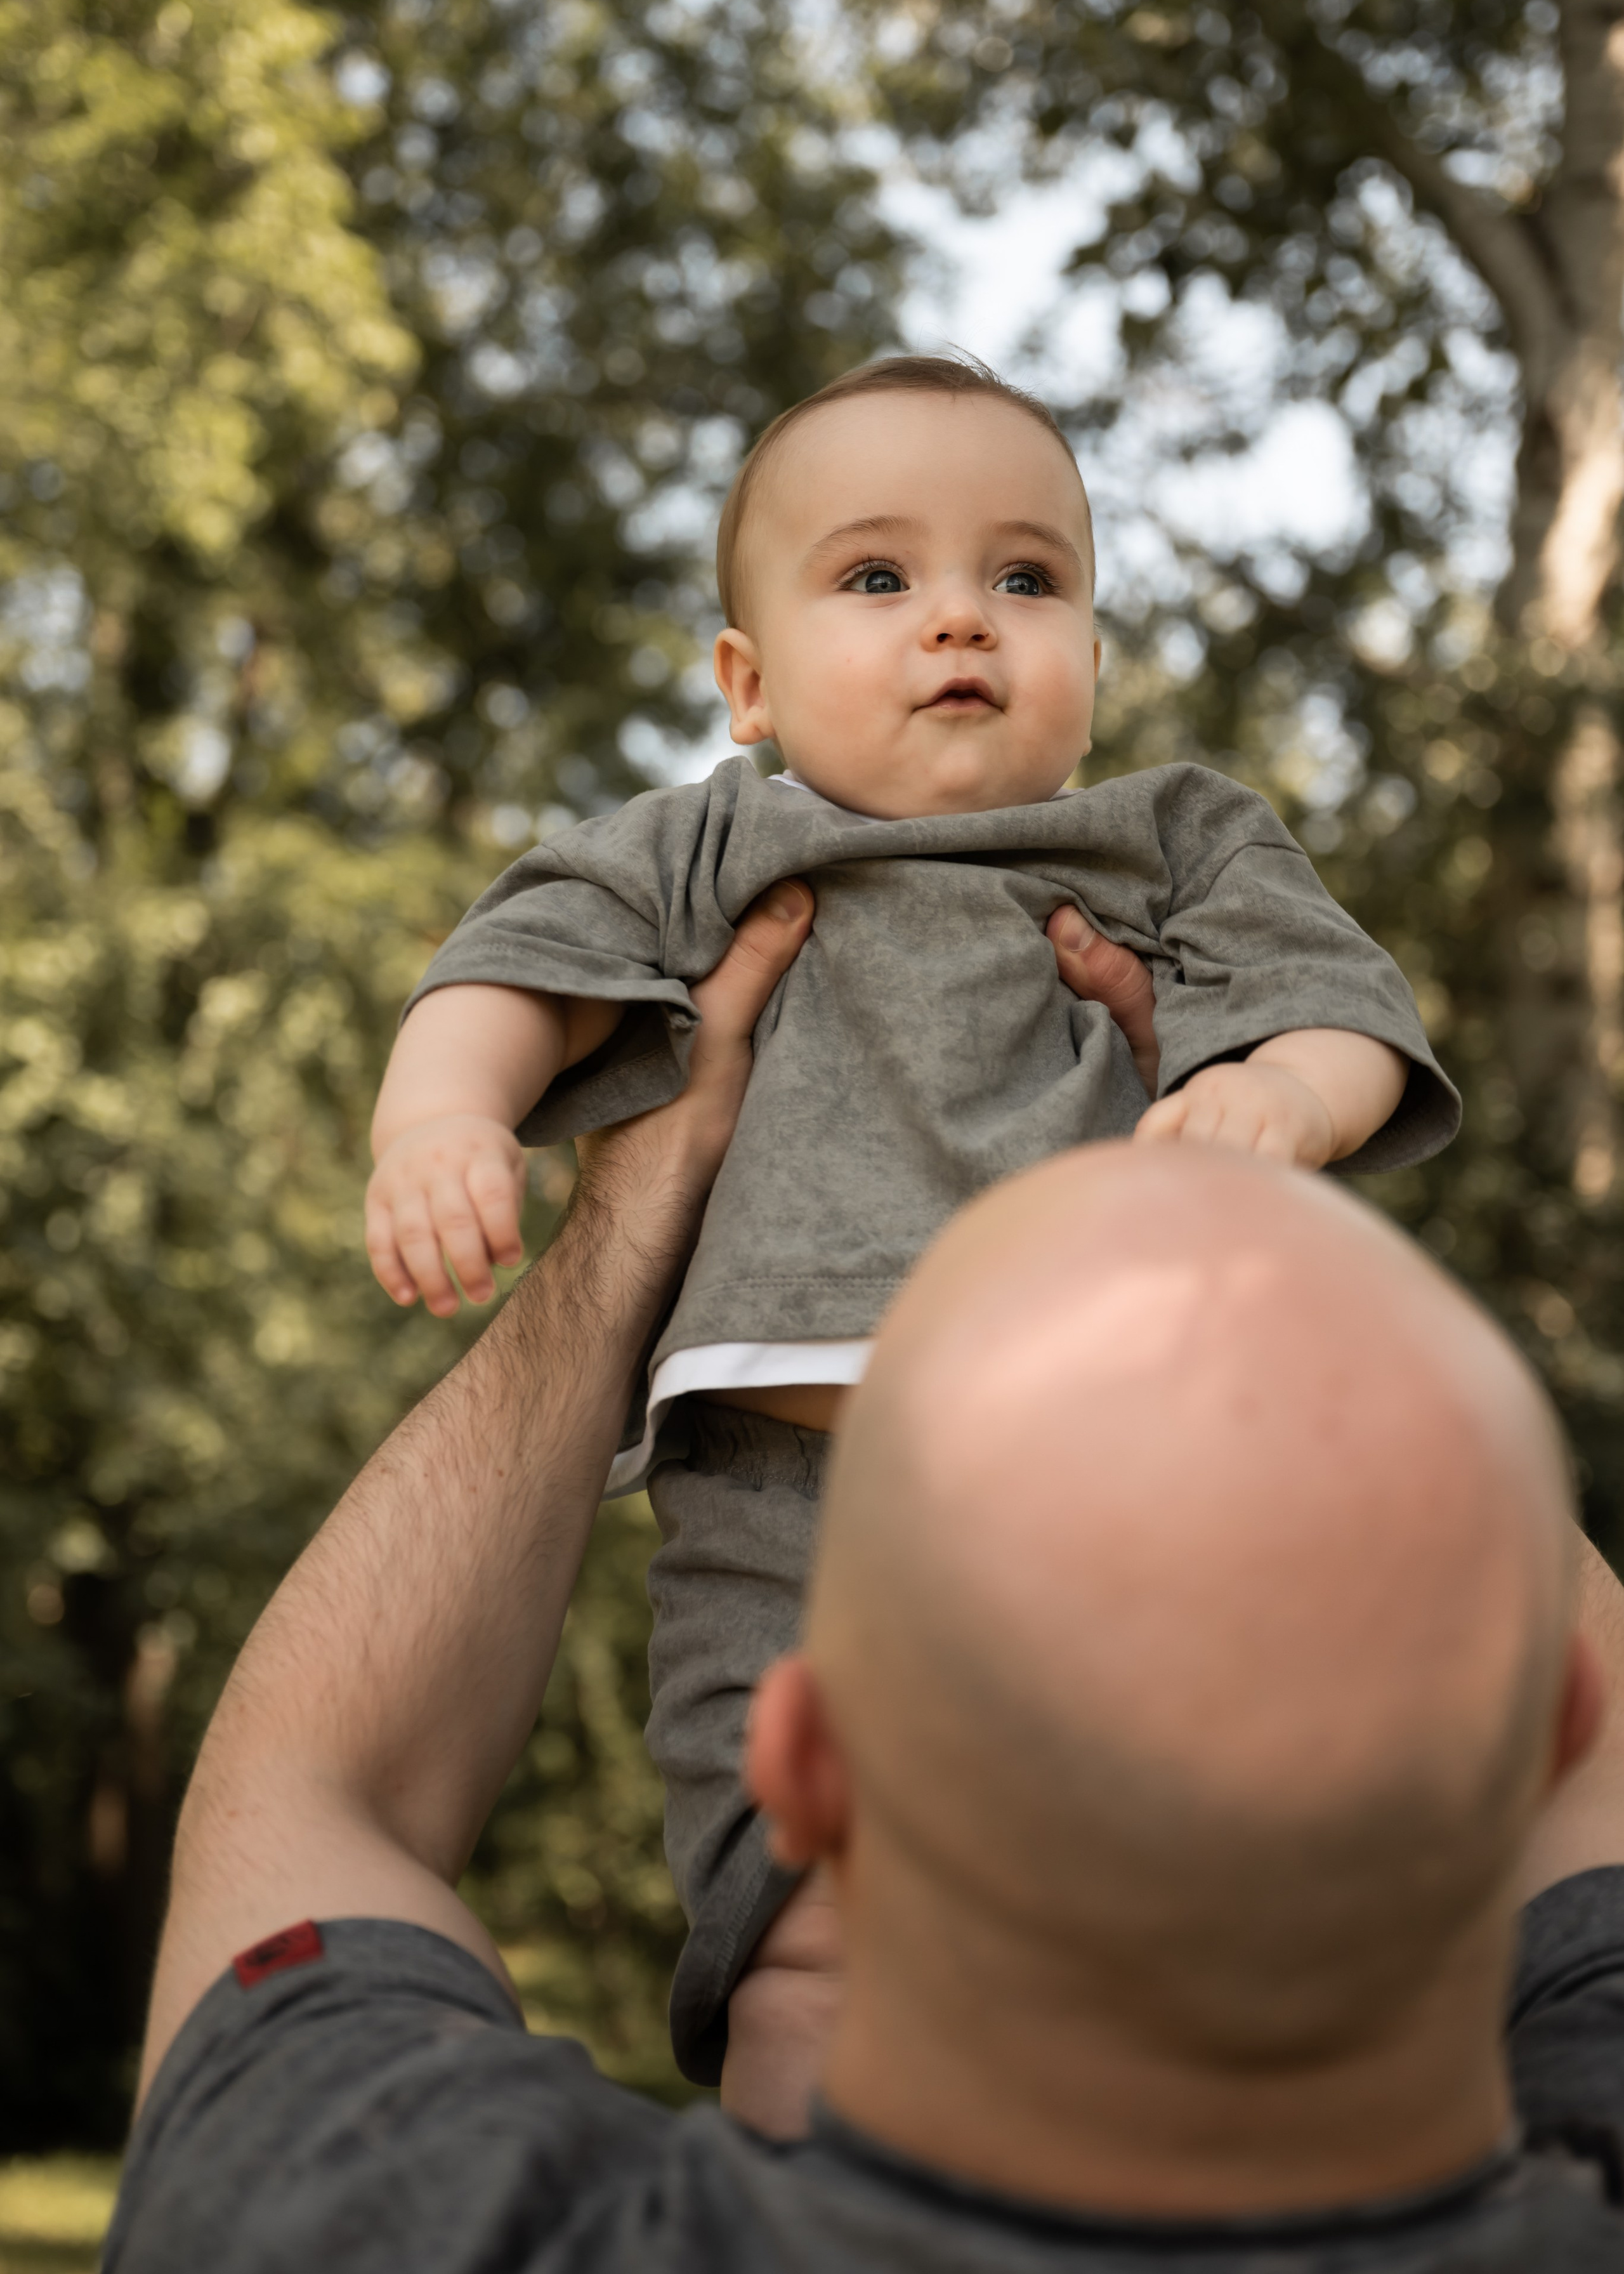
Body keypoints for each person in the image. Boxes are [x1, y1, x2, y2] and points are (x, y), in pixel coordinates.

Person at [110, 884, 1624, 2270]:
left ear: (803, 1760)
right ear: (1539, 1722)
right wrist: (1243, 1189)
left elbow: (312, 1787)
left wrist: (638, 1211)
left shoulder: (407, 2221)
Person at [362, 353, 1460, 2110]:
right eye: (878, 578)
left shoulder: (1167, 839)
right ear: (749, 683)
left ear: (1092, 664)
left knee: (1176, 1886)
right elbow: (512, 968)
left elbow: (1343, 1009)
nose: (962, 619)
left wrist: (1282, 1100)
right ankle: (820, 2190)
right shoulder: (716, 840)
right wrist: (441, 1116)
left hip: (1120, 1487)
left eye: (1026, 579)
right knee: (804, 1924)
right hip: (791, 1512)